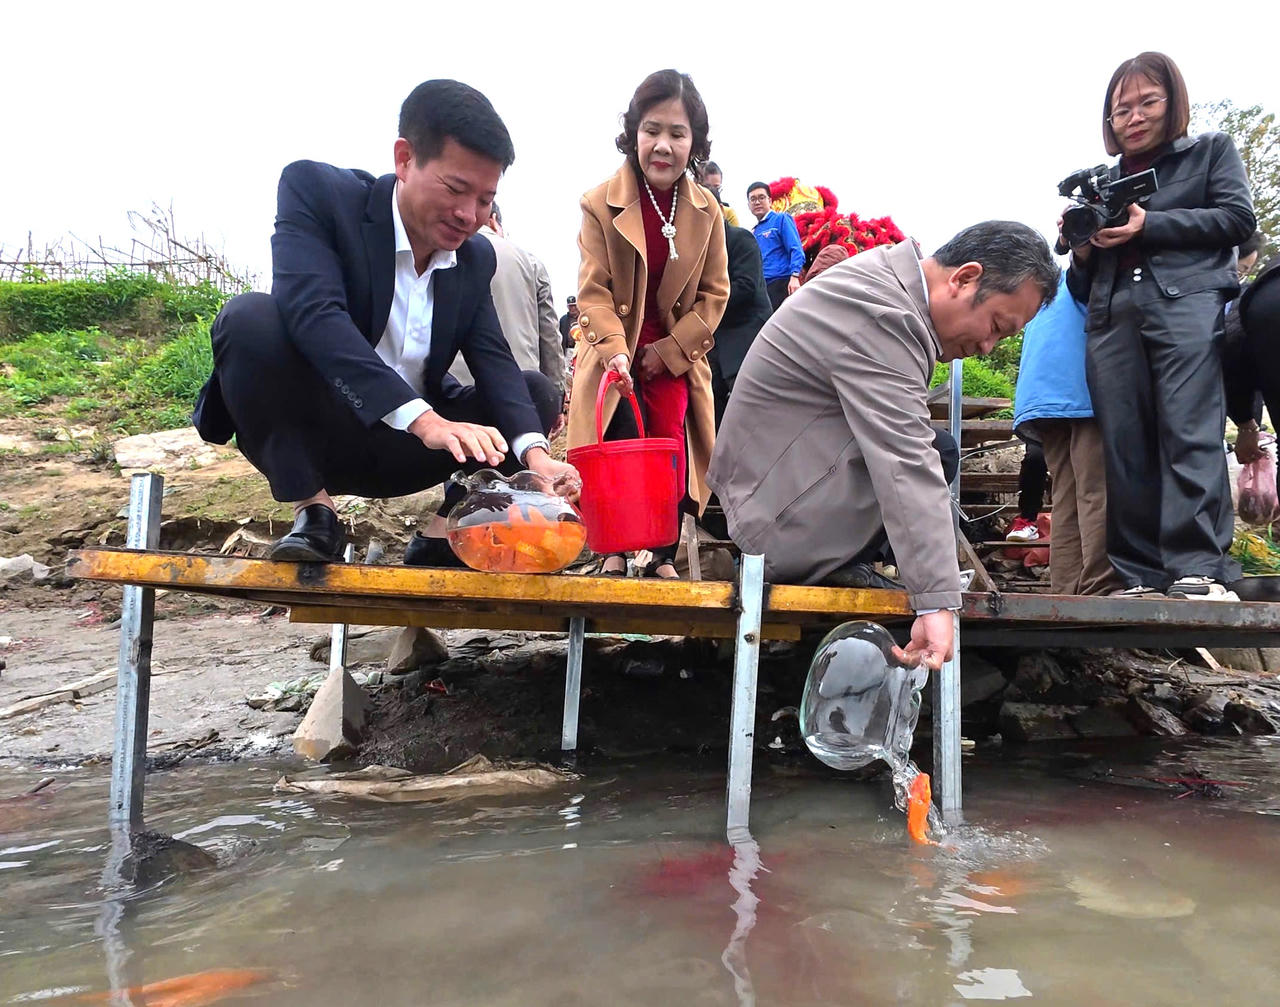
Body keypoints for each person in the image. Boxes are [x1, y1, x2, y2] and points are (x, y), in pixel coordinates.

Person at [192, 79, 578, 565]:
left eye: (485, 199)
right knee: (249, 317)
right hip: (317, 429)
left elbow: (494, 360)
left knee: (533, 391)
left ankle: (443, 536)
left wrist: (537, 458)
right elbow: (314, 314)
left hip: (409, 453)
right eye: (456, 189)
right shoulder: (318, 193)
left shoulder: (474, 258)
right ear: (404, 159)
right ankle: (315, 516)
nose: (468, 215)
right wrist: (424, 419)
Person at [708, 221, 1058, 670]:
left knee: (942, 448)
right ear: (964, 277)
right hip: (772, 521)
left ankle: (849, 563)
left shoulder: (884, 283)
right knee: (926, 456)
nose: (989, 347)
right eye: (996, 325)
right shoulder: (883, 313)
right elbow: (905, 459)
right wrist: (937, 602)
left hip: (773, 492)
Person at [1065, 51, 1256, 600]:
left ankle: (1198, 568)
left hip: (1187, 306)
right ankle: (1142, 575)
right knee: (1125, 446)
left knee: (1189, 433)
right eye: (1121, 109)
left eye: (1149, 101)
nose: (1134, 116)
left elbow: (1239, 220)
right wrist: (1080, 250)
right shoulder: (1099, 183)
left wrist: (1151, 224)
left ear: (1173, 103)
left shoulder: (1210, 152)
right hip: (1110, 320)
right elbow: (1079, 286)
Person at [567, 68, 729, 579]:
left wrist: (671, 352)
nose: (663, 145)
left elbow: (715, 295)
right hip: (614, 346)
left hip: (674, 353)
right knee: (613, 437)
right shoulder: (598, 203)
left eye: (677, 134)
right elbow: (592, 291)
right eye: (652, 130)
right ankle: (612, 549)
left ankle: (660, 553)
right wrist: (615, 349)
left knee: (669, 444)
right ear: (633, 133)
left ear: (694, 144)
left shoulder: (709, 213)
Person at [1013, 273, 1119, 595]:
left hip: (1042, 392)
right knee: (1096, 489)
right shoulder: (1099, 273)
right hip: (1083, 387)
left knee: (1067, 494)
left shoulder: (1053, 281)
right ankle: (1101, 588)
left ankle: (1066, 590)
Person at [450, 202, 566, 413]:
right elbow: (549, 336)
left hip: (455, 391)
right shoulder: (531, 263)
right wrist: (556, 395)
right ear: (494, 220)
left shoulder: (443, 253)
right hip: (523, 392)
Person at [709, 223, 772, 427]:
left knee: (747, 405)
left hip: (745, 333)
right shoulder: (700, 245)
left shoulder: (740, 239)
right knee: (711, 400)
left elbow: (747, 285)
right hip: (716, 337)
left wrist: (705, 304)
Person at [746, 182, 805, 310]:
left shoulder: (781, 219)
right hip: (762, 288)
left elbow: (796, 248)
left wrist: (795, 276)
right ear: (748, 205)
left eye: (761, 197)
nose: (757, 202)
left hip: (780, 282)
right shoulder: (753, 231)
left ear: (770, 200)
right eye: (753, 199)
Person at [698, 161, 739, 226]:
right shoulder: (686, 210)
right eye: (706, 187)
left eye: (716, 187)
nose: (712, 192)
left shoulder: (728, 214)